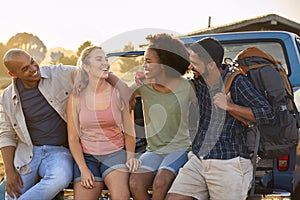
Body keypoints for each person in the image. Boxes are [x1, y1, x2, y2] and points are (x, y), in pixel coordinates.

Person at [0, 48, 129, 199]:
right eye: (25, 69)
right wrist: (9, 171)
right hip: (29, 153)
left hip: (59, 151)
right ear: (13, 74)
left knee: (59, 178)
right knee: (9, 194)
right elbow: (6, 134)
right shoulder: (7, 97)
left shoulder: (58, 74)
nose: (34, 69)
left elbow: (92, 70)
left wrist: (119, 84)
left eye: (32, 61)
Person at [166, 38, 276, 200]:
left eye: (194, 63)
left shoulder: (236, 82)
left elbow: (267, 114)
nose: (190, 67)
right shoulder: (198, 82)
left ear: (211, 65)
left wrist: (230, 106)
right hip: (199, 158)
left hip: (228, 162)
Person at [67, 46, 140, 200]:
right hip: (87, 158)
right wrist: (83, 169)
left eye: (106, 59)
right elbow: (73, 138)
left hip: (115, 154)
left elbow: (129, 131)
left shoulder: (119, 94)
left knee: (121, 197)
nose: (105, 63)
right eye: (99, 59)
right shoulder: (76, 97)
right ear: (86, 67)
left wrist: (130, 157)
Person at [129, 33, 197, 200]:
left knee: (161, 182)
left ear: (165, 64)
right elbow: (119, 97)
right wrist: (131, 87)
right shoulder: (142, 86)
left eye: (149, 61)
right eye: (143, 60)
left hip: (180, 148)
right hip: (153, 150)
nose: (144, 65)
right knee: (135, 183)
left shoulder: (187, 87)